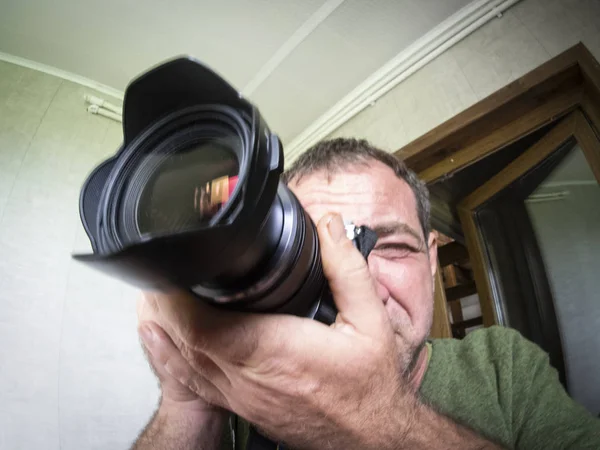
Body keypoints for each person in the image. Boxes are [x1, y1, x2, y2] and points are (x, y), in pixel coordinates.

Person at [132, 138, 600, 450]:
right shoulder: (254, 382)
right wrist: (192, 404)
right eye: (318, 252)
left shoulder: (503, 368)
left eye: (393, 247)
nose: (359, 283)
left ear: (432, 259)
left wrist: (376, 419)